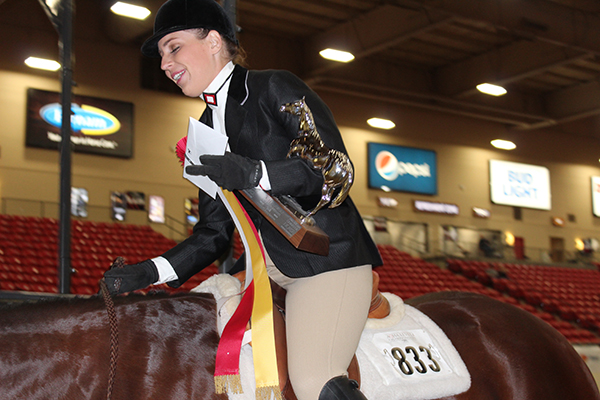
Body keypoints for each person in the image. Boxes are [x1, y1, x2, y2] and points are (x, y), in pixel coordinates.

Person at [103, 0, 382, 399]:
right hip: (256, 271)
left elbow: (335, 170)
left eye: (174, 47)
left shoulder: (274, 87)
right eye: (162, 54)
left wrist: (256, 173)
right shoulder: (200, 134)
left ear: (214, 40)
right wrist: (150, 272)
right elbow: (214, 234)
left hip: (325, 261)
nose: (165, 64)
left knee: (313, 380)